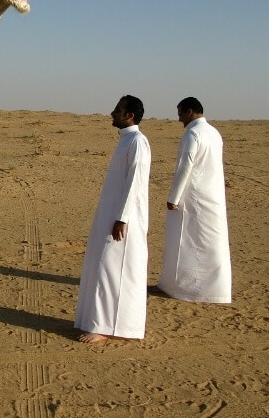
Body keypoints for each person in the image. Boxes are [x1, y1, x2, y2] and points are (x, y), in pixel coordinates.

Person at [75, 95, 151, 343]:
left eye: (117, 110)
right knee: (104, 266)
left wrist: (123, 218)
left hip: (122, 219)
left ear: (129, 115)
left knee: (113, 268)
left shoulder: (138, 142)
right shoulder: (127, 140)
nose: (111, 113)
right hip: (113, 214)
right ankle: (101, 322)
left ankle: (106, 328)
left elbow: (135, 184)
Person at [156, 97, 231, 303]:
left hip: (193, 195)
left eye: (180, 113)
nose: (179, 119)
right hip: (213, 195)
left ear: (189, 112)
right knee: (209, 242)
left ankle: (184, 288)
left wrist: (174, 197)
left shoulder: (193, 134)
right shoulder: (214, 132)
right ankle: (208, 288)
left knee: (185, 240)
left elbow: (185, 166)